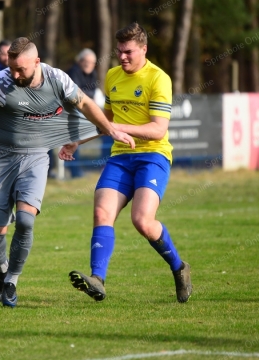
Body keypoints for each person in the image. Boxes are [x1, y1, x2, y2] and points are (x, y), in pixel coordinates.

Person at [0, 37, 134, 308]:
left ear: (37, 62)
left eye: (20, 69)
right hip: (0, 158)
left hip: (36, 157)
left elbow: (84, 104)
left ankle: (12, 280)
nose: (15, 74)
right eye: (11, 68)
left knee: (25, 221)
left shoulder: (57, 79)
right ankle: (2, 269)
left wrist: (111, 129)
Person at [61, 23, 192, 303]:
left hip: (153, 156)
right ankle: (97, 279)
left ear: (144, 49)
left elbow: (158, 130)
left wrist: (116, 127)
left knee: (142, 221)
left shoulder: (158, 78)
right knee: (101, 213)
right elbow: (104, 121)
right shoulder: (112, 76)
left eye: (128, 52)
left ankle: (179, 267)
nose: (122, 57)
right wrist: (77, 141)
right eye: (119, 51)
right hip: (121, 157)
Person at [65, 48, 100, 178]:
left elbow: (92, 93)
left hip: (84, 110)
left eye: (92, 62)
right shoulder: (73, 72)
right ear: (80, 61)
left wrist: (86, 97)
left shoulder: (93, 74)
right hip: (69, 111)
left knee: (105, 130)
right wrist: (87, 98)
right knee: (74, 138)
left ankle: (101, 164)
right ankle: (74, 170)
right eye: (86, 61)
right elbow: (76, 94)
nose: (88, 65)